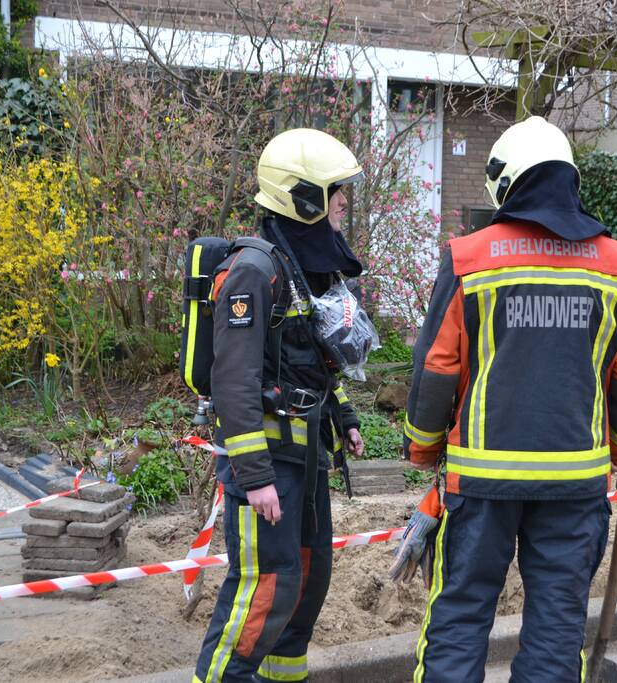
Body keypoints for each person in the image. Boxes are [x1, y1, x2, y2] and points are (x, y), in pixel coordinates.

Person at [403, 116, 617, 683]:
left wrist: (422, 450)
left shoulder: (470, 256)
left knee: (461, 614)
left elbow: (437, 365)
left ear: (505, 181)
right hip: (575, 484)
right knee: (557, 623)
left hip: (480, 483)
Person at [193, 128, 367, 683]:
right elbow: (233, 383)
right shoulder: (253, 270)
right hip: (266, 466)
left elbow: (306, 361)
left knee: (302, 586)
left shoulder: (305, 268)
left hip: (305, 457)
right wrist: (256, 476)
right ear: (304, 196)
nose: (344, 201)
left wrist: (343, 416)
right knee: (262, 590)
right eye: (336, 190)